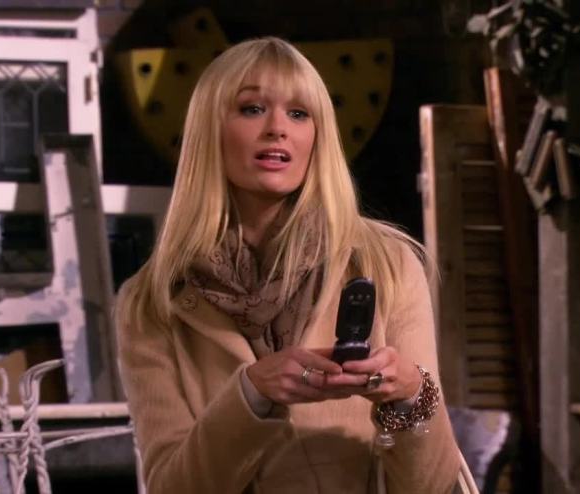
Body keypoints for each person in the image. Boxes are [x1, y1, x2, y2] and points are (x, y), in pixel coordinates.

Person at [115, 36, 462, 493]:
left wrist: (410, 394)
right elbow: (171, 486)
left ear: (318, 136)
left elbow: (432, 485)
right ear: (208, 131)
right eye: (252, 109)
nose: (277, 128)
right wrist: (251, 394)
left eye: (299, 114)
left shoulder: (385, 263)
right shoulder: (153, 301)